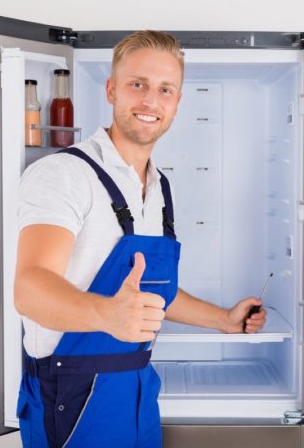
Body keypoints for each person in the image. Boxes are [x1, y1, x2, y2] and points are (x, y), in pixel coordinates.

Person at [14, 30, 266, 448]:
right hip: (72, 396)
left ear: (178, 103)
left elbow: (149, 294)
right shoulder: (64, 174)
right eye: (138, 85)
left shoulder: (158, 186)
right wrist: (106, 315)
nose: (151, 101)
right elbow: (30, 288)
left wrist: (223, 320)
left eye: (165, 89)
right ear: (112, 90)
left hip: (138, 390)